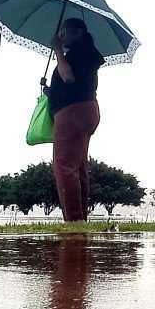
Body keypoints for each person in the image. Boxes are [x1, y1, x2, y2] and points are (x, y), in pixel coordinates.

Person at [43, 17, 105, 222]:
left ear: (78, 32)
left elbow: (68, 77)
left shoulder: (81, 53)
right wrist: (49, 91)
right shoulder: (87, 54)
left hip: (72, 112)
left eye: (64, 32)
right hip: (85, 110)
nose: (61, 37)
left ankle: (74, 219)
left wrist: (58, 50)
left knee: (63, 165)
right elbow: (73, 83)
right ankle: (80, 218)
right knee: (77, 166)